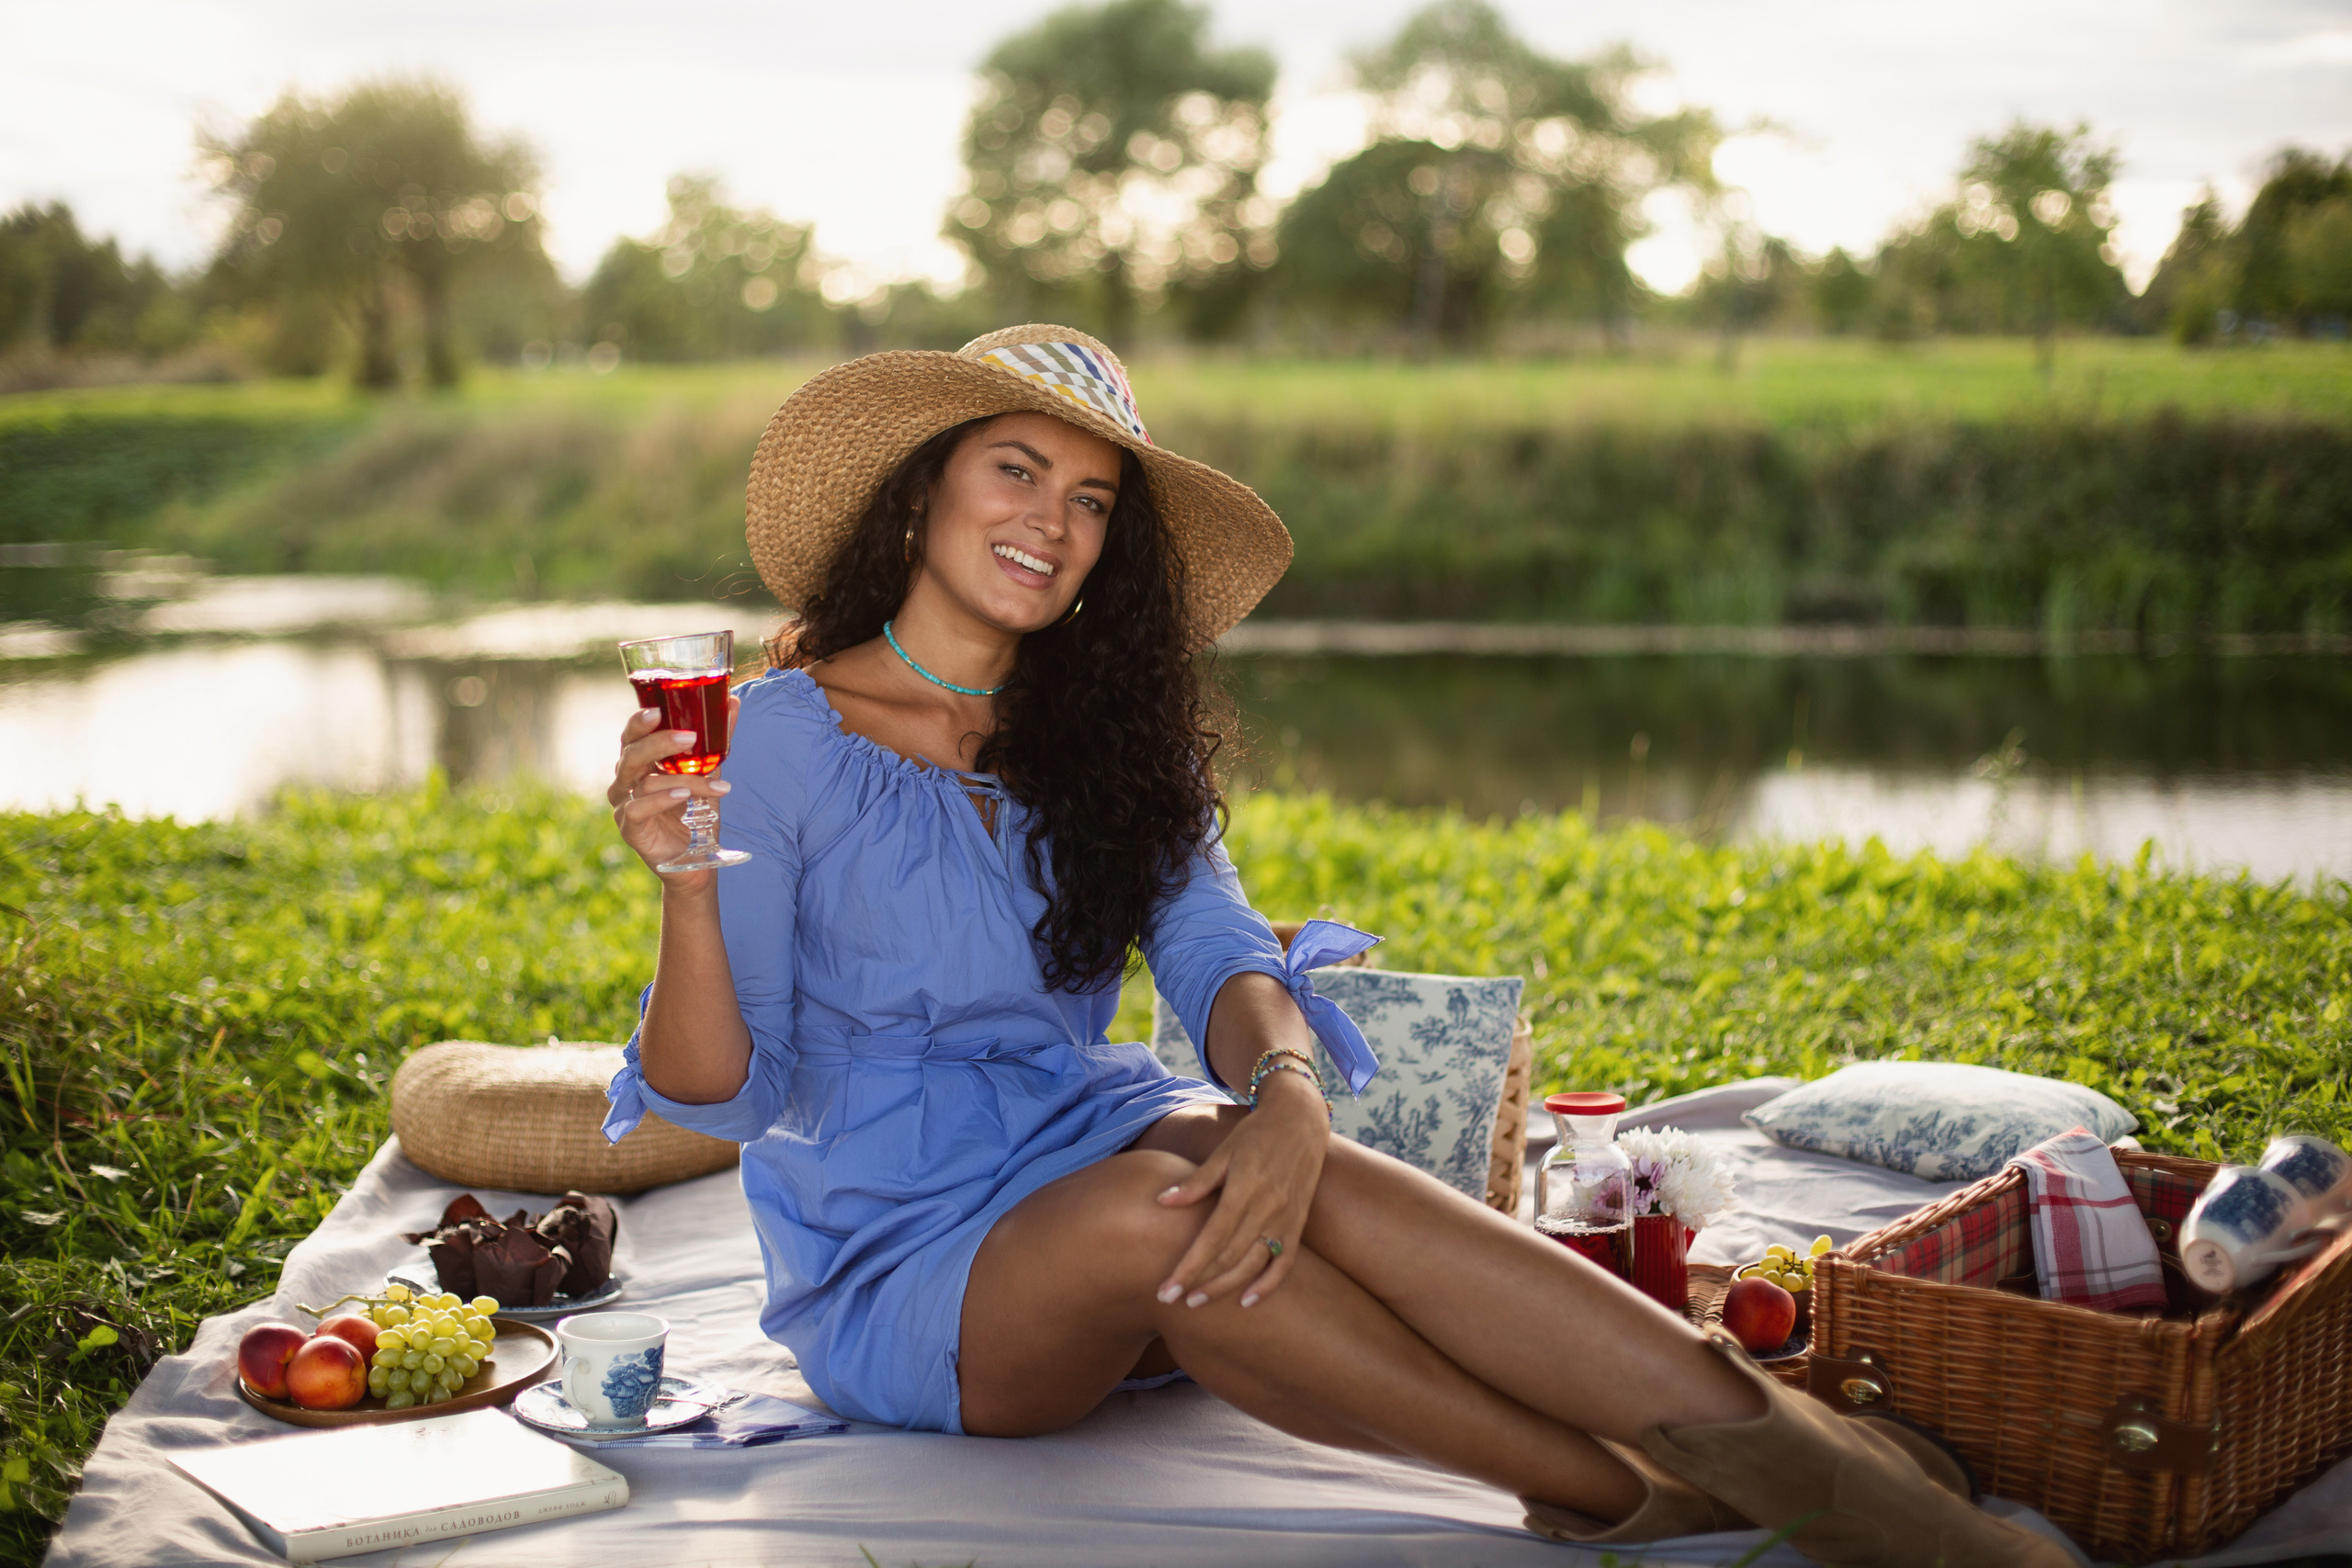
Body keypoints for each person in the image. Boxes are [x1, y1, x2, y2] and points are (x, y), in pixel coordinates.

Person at [600, 326, 2067, 1567]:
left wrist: (1290, 1097)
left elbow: (1212, 943)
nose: (1055, 518)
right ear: (924, 492)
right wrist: (681, 887)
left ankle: (1841, 1486)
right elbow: (718, 1092)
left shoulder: (1099, 737)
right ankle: (1616, 1495)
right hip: (901, 1247)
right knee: (1172, 1219)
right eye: (1017, 468)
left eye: (1097, 499)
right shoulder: (776, 736)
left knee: (1281, 1174)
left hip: (1088, 1134)